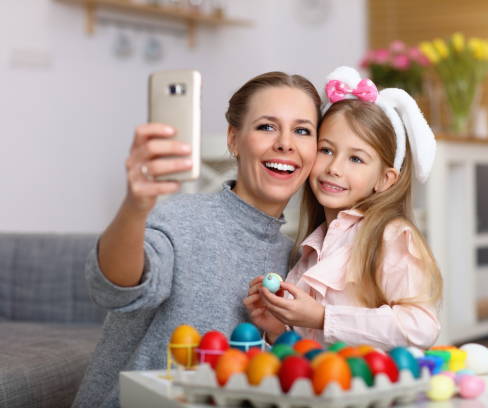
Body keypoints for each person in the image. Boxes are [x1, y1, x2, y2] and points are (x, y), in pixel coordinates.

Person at [71, 71, 321, 408]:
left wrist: (279, 335)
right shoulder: (180, 218)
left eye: (302, 130)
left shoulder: (297, 260)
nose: (285, 143)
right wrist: (135, 206)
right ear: (234, 139)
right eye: (266, 126)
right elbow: (114, 286)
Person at [244, 66, 442, 351]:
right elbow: (312, 348)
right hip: (326, 390)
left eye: (356, 159)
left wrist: (324, 317)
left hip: (370, 390)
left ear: (385, 179)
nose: (334, 168)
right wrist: (277, 328)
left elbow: (421, 327)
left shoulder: (391, 236)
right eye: (326, 150)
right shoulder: (313, 248)